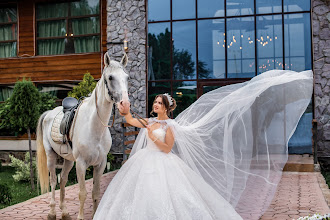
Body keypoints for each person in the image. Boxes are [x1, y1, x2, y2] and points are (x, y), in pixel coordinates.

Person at [94, 69, 313, 220]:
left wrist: (153, 138)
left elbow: (168, 148)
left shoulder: (171, 125)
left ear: (166, 108)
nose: (155, 104)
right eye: (155, 102)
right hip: (144, 163)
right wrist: (124, 110)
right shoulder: (150, 121)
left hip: (163, 162)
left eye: (159, 103)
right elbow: (132, 120)